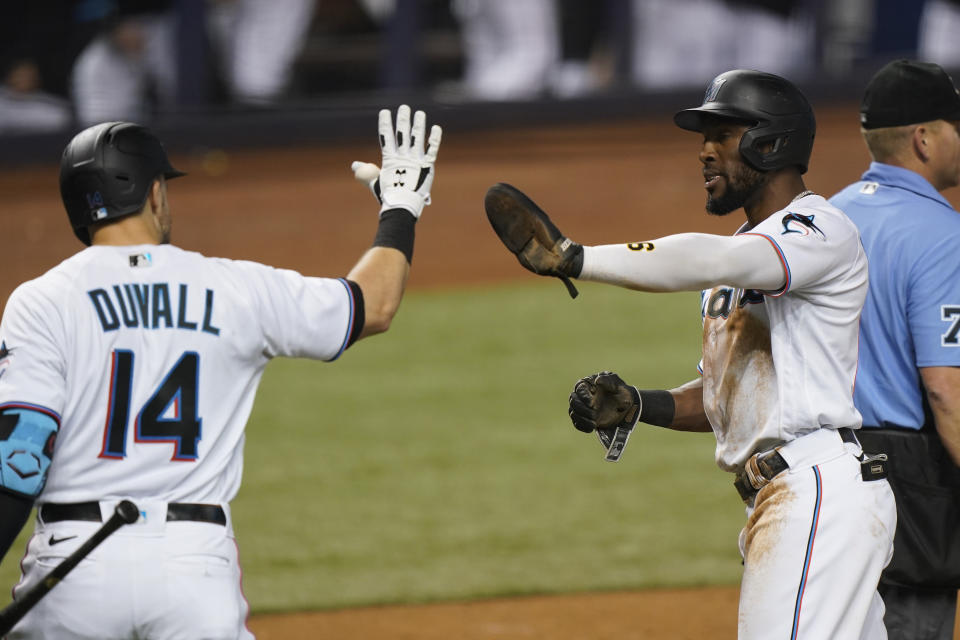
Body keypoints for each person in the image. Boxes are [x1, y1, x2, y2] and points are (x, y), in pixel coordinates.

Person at [0, 106, 441, 638]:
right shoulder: (233, 288)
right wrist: (401, 208)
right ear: (153, 193)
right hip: (193, 567)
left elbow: (16, 463)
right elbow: (374, 305)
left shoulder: (42, 302)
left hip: (73, 568)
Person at [487, 69, 896, 638]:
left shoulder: (818, 230)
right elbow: (725, 397)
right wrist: (640, 405)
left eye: (721, 135)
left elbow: (700, 258)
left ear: (770, 142)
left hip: (816, 491)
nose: (704, 153)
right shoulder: (736, 260)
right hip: (787, 498)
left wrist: (576, 258)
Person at [829, 59, 960, 640]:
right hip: (909, 489)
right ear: (924, 138)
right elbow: (946, 390)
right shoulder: (941, 234)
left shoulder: (823, 219)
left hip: (819, 478)